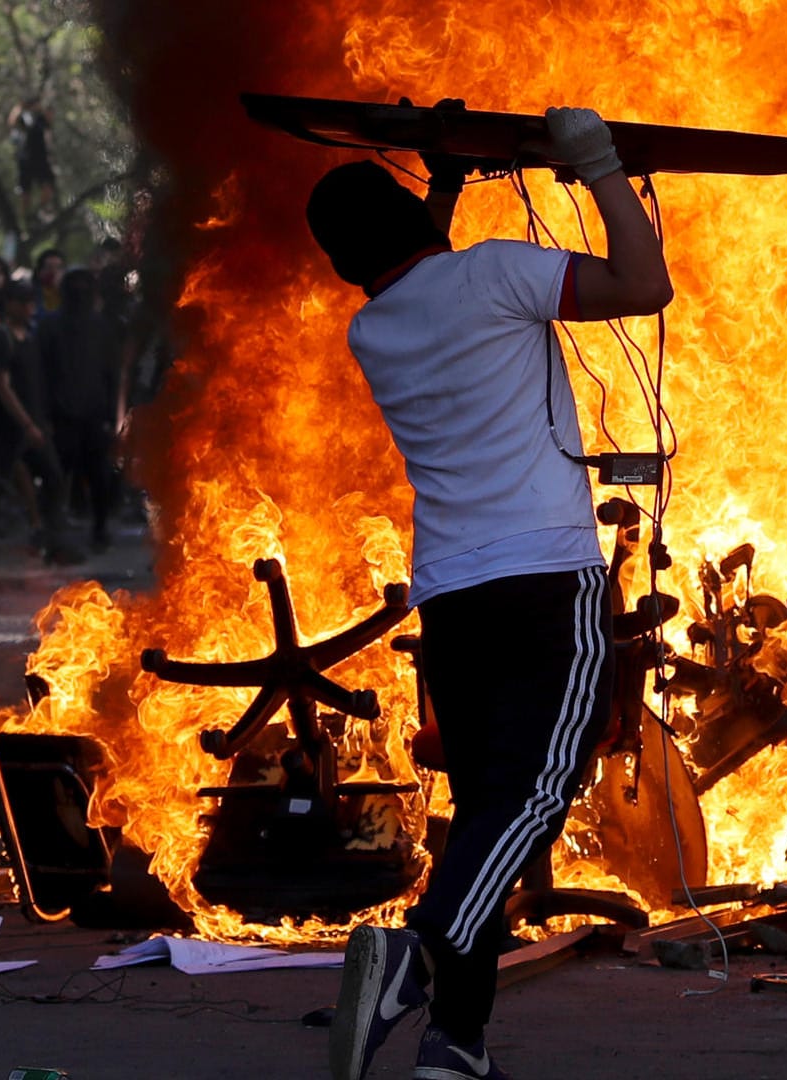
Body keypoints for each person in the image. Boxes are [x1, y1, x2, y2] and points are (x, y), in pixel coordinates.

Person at [313, 107, 672, 1080]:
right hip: (551, 583)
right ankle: (415, 954)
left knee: (485, 815)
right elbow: (646, 284)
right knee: (540, 792)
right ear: (421, 223)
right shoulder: (498, 272)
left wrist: (443, 183)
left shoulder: (374, 328)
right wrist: (596, 167)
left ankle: (456, 1048)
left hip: (456, 602)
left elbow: (426, 267)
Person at [0, 281, 80, 565]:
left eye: (31, 302)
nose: (30, 308)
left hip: (33, 424)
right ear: (10, 304)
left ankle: (52, 541)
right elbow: (3, 386)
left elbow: (37, 383)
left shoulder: (31, 336)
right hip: (10, 427)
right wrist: (26, 424)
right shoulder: (1, 338)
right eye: (24, 303)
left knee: (53, 477)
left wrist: (41, 421)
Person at [39, 267, 119, 550]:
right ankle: (54, 535)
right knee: (57, 476)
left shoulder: (101, 326)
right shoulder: (50, 326)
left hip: (94, 416)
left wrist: (111, 415)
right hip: (61, 416)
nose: (80, 291)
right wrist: (44, 415)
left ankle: (99, 528)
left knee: (99, 476)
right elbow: (42, 373)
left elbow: (111, 373)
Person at [9, 97, 58, 225]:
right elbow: (12, 122)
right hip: (25, 160)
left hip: (40, 159)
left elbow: (49, 122)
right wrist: (21, 106)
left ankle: (40, 212)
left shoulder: (40, 119)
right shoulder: (24, 118)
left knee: (48, 187)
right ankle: (26, 221)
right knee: (25, 194)